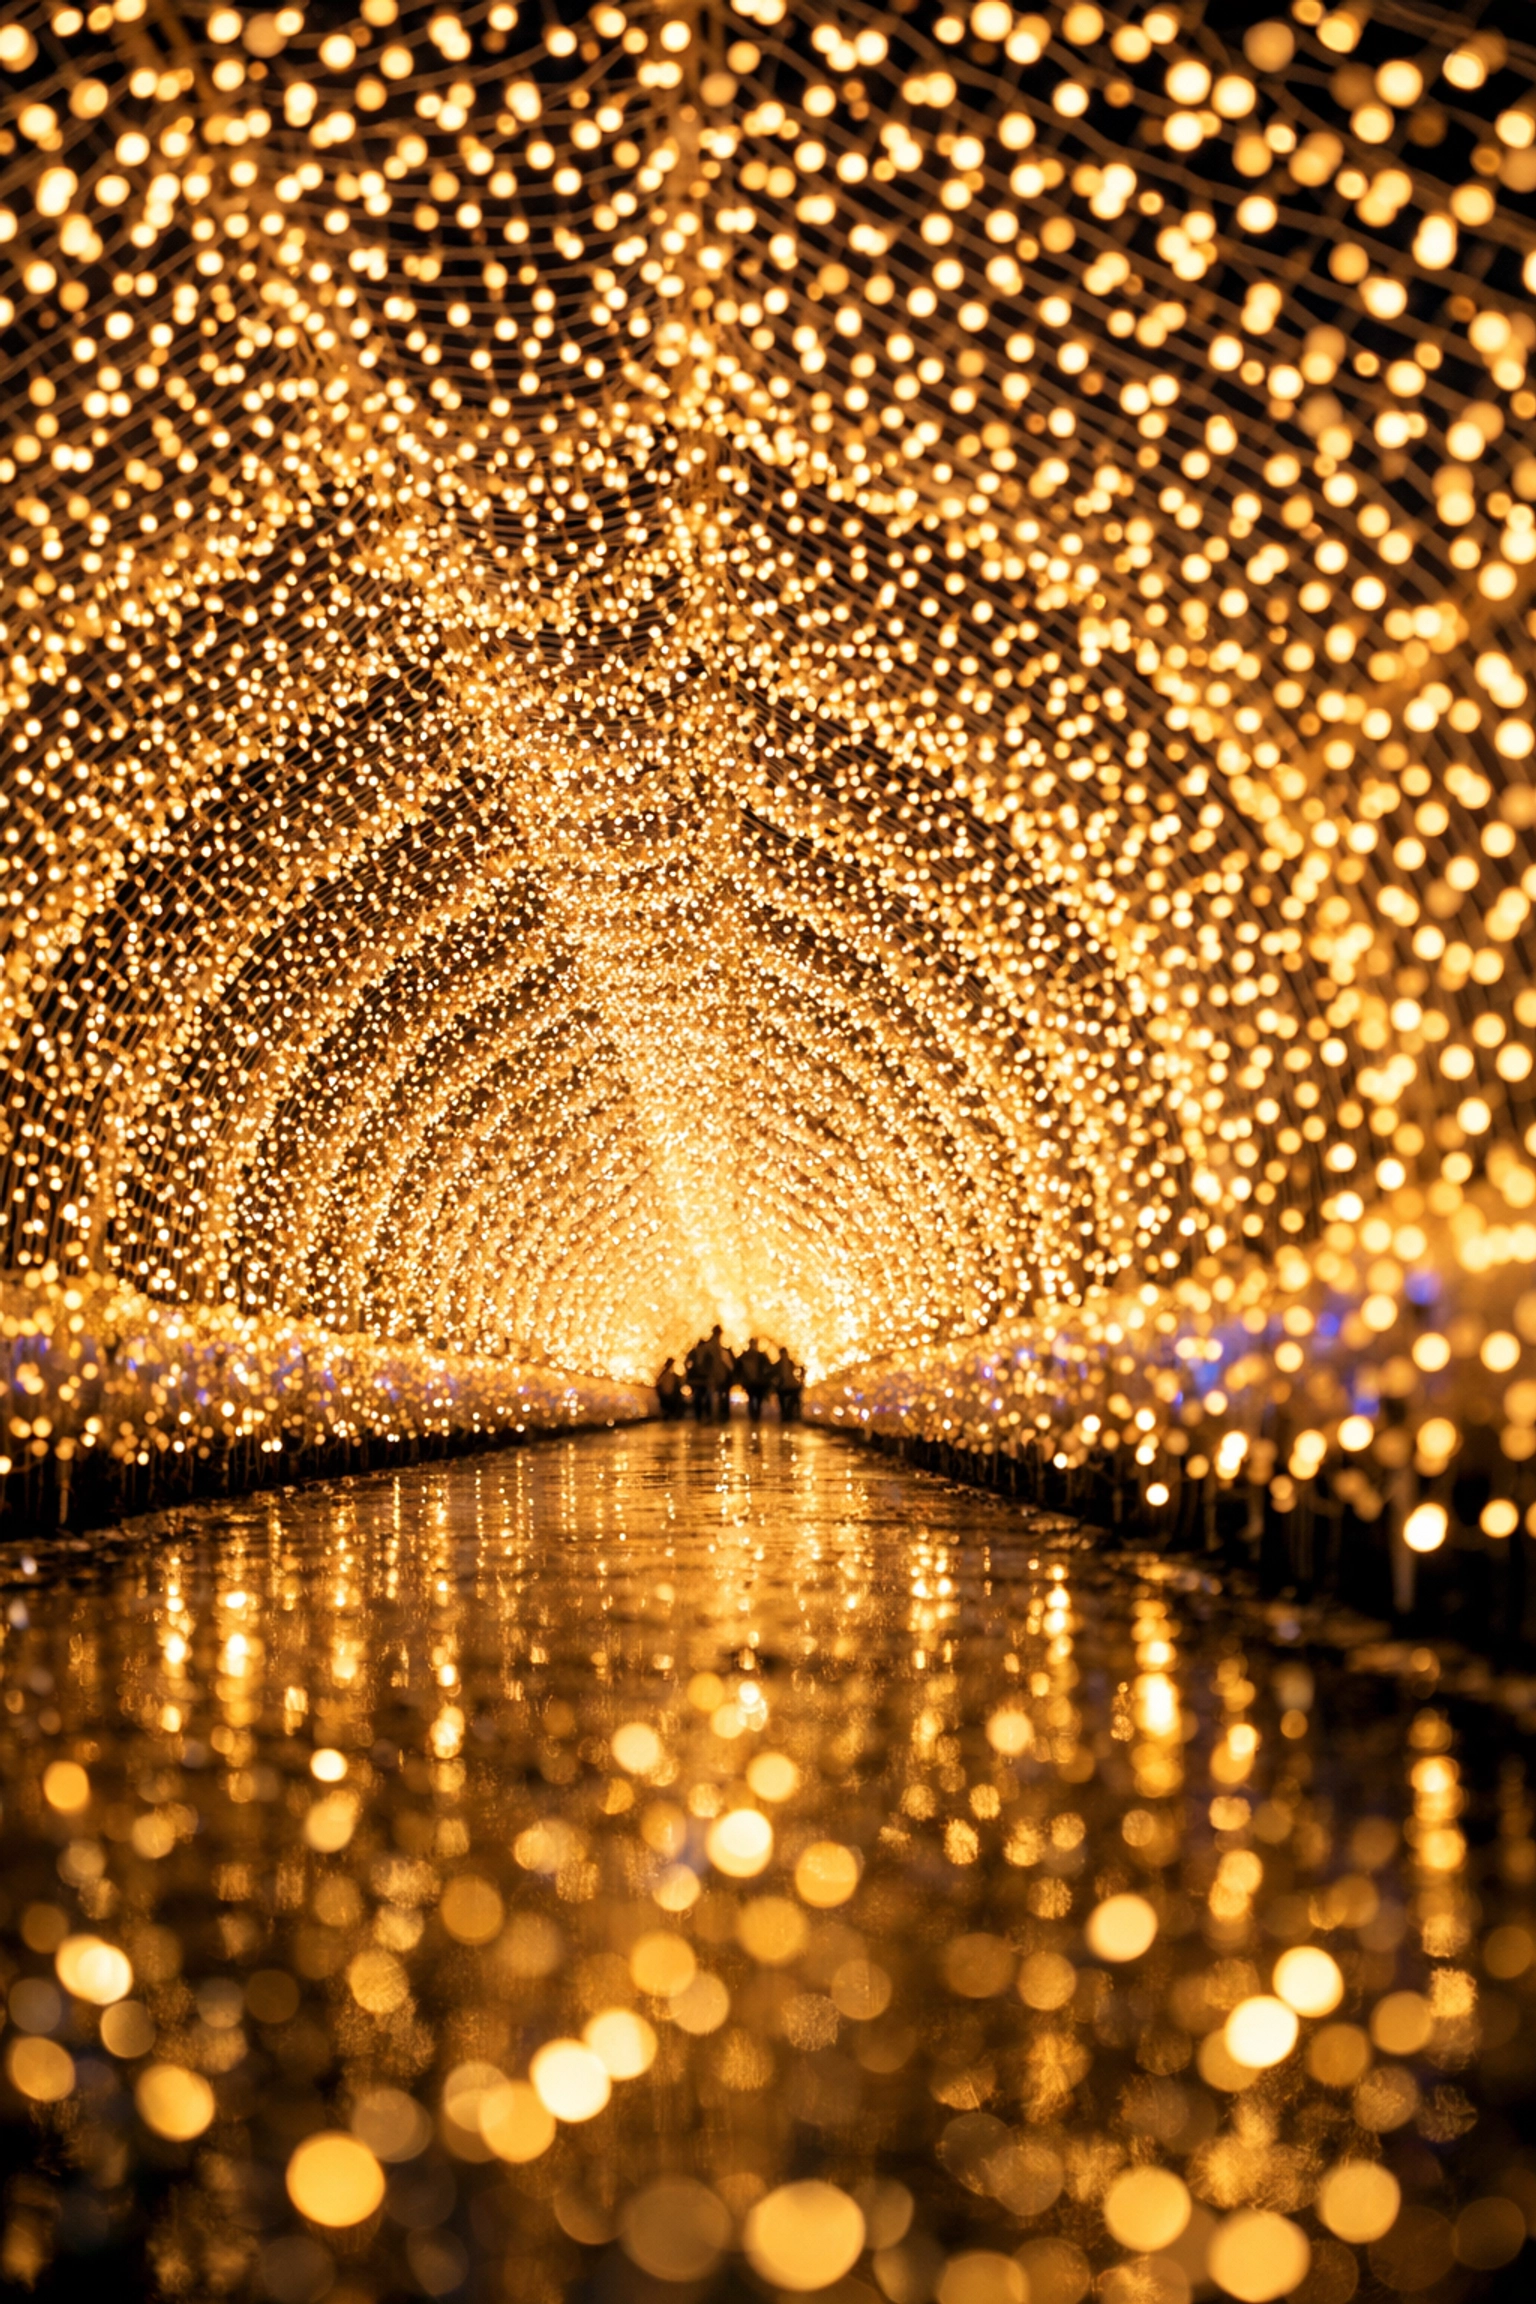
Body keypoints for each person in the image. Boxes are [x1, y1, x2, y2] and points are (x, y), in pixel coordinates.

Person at [738, 1336, 772, 1422]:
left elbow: (738, 1367)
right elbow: (767, 1368)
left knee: (751, 1399)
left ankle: (753, 1415)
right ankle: (756, 1416)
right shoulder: (760, 1356)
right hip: (758, 1382)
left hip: (750, 1382)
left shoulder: (745, 1355)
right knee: (758, 1399)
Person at [774, 1346, 803, 1423]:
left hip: (790, 1386)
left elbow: (798, 1371)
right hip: (783, 1386)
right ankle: (786, 1414)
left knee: (794, 1399)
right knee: (784, 1401)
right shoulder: (780, 1364)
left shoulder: (790, 1363)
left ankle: (789, 1414)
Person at [685, 1336, 711, 1421]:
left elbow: (686, 1363)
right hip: (704, 1380)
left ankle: (698, 1415)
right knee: (706, 1397)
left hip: (694, 1379)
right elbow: (711, 1366)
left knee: (697, 1397)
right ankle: (707, 1414)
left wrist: (689, 1371)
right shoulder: (707, 1354)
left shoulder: (693, 1352)